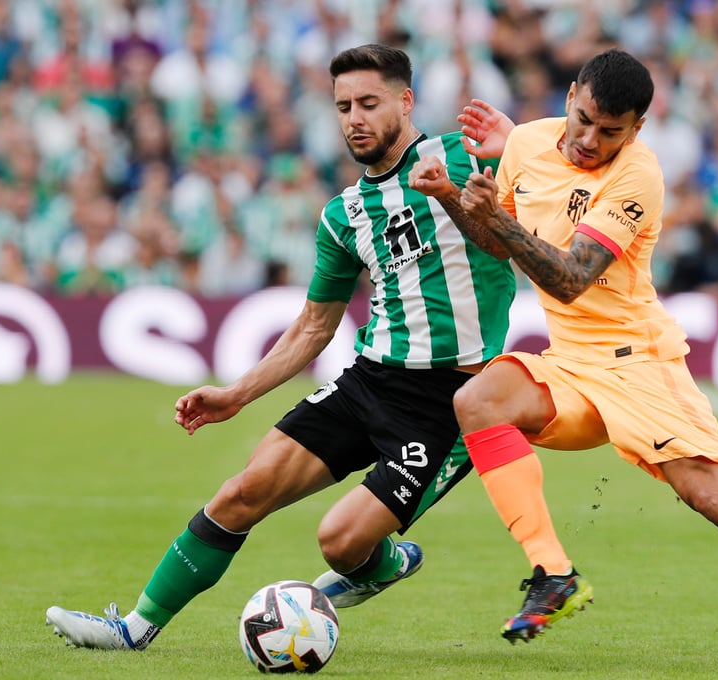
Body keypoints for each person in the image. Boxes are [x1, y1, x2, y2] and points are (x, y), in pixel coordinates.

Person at [409, 49, 718, 675]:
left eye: (611, 131)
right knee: (479, 400)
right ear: (570, 97)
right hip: (571, 363)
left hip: (638, 363)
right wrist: (452, 196)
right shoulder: (526, 144)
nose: (590, 139)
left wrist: (495, 218)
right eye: (584, 120)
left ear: (636, 129)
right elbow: (494, 240)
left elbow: (570, 280)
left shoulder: (639, 174)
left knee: (712, 495)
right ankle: (553, 574)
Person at [44, 43, 516, 650]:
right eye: (343, 106)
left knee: (340, 543)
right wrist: (236, 394)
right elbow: (314, 326)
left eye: (369, 103)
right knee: (242, 491)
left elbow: (521, 231)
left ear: (406, 101)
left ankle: (383, 563)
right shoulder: (345, 214)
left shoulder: (468, 156)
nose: (355, 119)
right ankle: (133, 629)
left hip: (451, 402)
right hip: (371, 379)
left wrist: (481, 173)